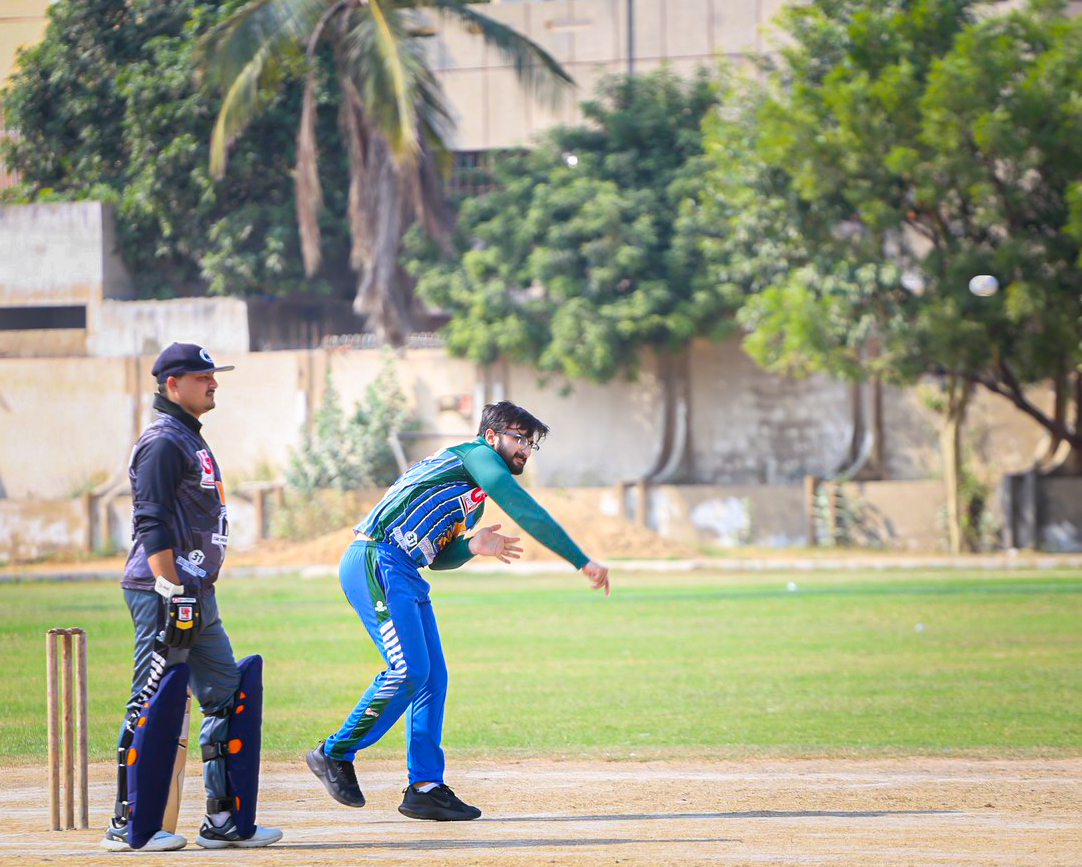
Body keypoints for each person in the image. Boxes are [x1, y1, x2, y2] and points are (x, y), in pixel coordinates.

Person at [306, 400, 610, 821]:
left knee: (432, 678)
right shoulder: (477, 456)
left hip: (405, 570)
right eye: (520, 438)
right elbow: (524, 509)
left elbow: (438, 558)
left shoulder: (473, 497)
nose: (526, 449)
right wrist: (581, 560)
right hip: (376, 559)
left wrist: (471, 546)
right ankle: (334, 751)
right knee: (408, 671)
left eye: (531, 443)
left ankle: (425, 788)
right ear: (491, 436)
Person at [101, 343, 282, 852]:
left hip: (197, 593)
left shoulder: (188, 437)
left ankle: (224, 821)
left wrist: (190, 592)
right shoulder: (162, 442)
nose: (213, 383)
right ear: (172, 385)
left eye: (213, 376)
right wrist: (170, 589)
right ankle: (128, 825)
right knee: (152, 697)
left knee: (227, 694)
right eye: (203, 377)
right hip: (162, 591)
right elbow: (150, 521)